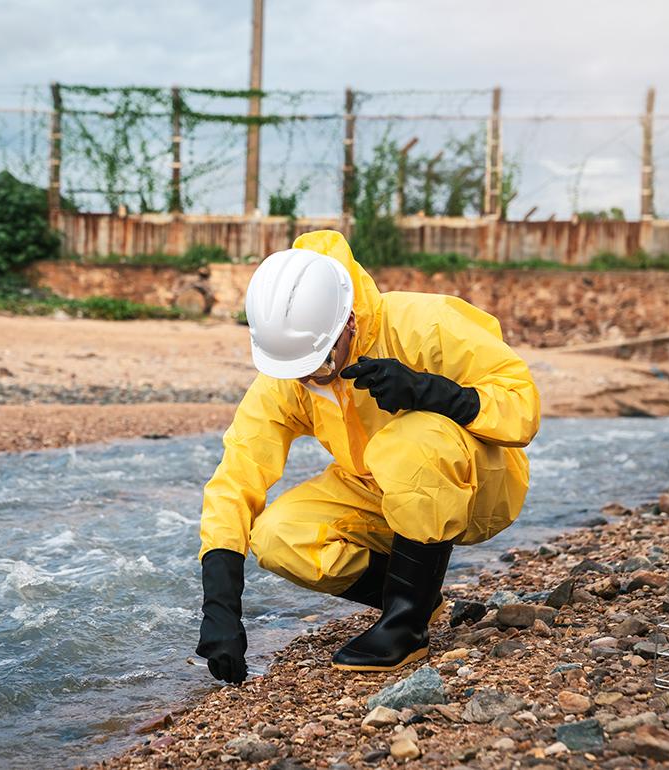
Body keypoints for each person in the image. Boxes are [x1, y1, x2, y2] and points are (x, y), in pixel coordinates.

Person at [196, 230, 540, 683]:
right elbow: (237, 475)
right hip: (379, 492)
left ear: (349, 323)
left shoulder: (425, 324)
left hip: (479, 487)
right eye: (294, 371)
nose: (307, 381)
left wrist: (430, 391)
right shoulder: (295, 377)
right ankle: (422, 600)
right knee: (279, 536)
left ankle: (405, 627)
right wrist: (220, 605)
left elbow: (523, 407)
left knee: (409, 441)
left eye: (317, 365)